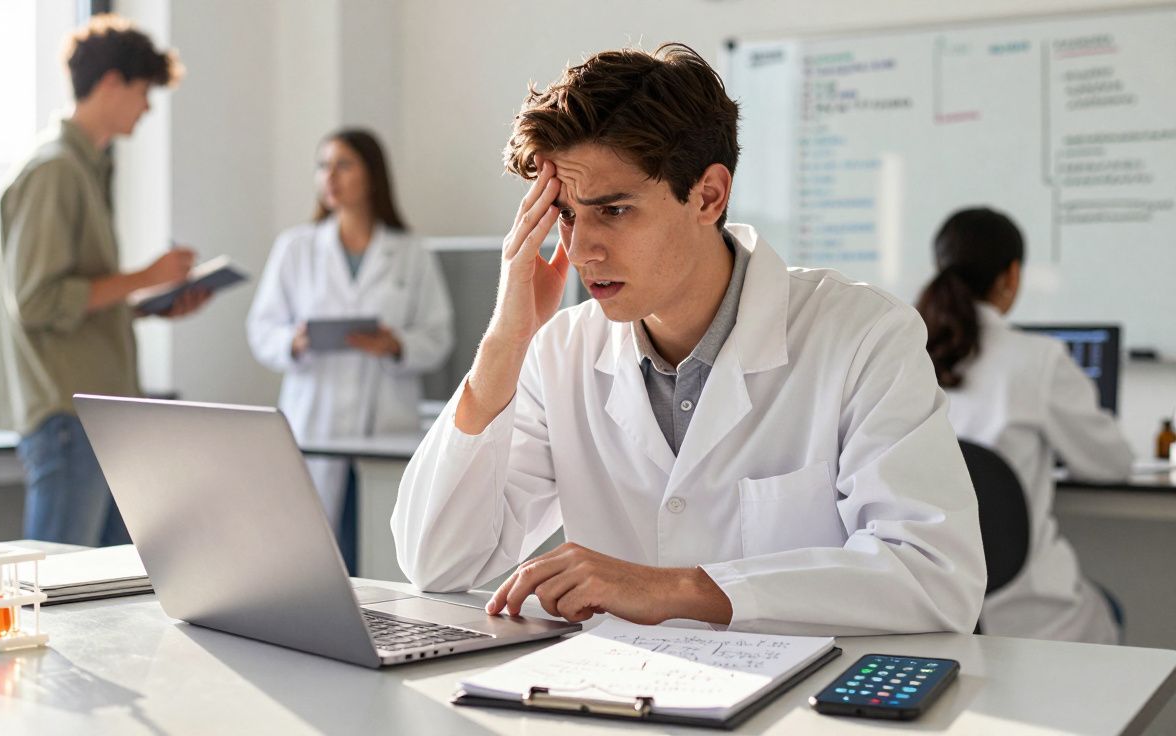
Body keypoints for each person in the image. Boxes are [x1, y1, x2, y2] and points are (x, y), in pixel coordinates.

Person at [392, 44, 985, 634]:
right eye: (567, 215)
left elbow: (935, 577)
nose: (580, 250)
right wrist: (506, 340)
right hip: (616, 704)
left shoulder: (862, 336)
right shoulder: (559, 352)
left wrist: (678, 588)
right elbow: (438, 563)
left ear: (708, 196)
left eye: (615, 210)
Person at [0, 15, 209, 547]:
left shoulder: (83, 169)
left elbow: (71, 300)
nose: (148, 108)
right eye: (143, 92)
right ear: (111, 83)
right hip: (67, 420)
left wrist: (145, 303)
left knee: (99, 596)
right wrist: (145, 275)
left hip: (92, 417)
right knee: (59, 598)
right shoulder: (56, 170)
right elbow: (37, 303)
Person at [916, 207, 1133, 644]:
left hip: (926, 605)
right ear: (1011, 275)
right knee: (1113, 607)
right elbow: (1110, 465)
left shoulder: (902, 349)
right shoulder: (1039, 359)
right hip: (1025, 612)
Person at [247, 129, 454, 573]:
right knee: (310, 555)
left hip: (385, 424)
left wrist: (396, 345)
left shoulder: (410, 251)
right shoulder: (296, 248)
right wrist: (294, 342)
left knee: (381, 555)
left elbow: (438, 337)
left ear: (372, 175)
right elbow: (262, 329)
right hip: (312, 422)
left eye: (343, 164)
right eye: (323, 166)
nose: (330, 177)